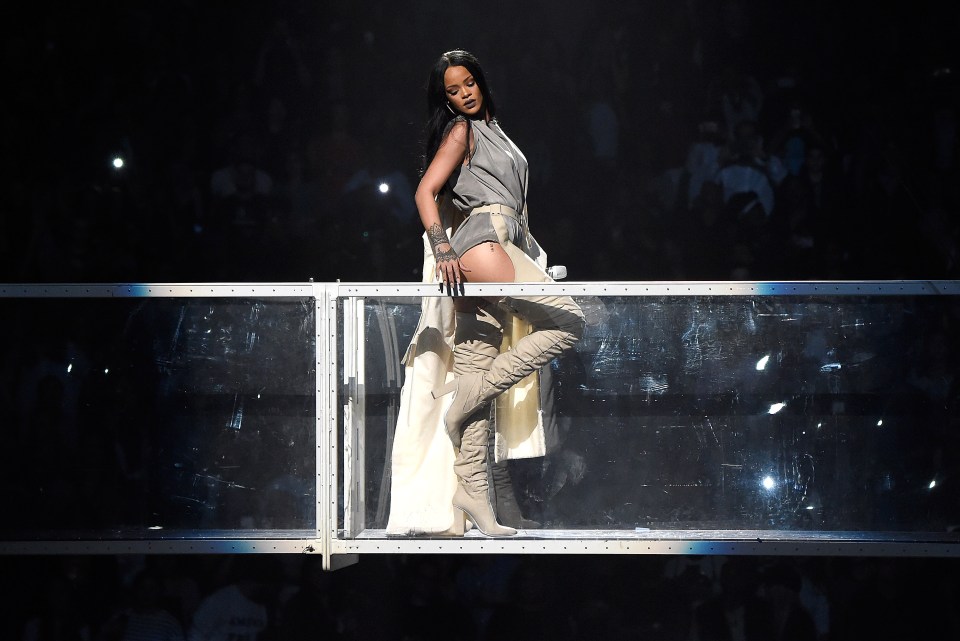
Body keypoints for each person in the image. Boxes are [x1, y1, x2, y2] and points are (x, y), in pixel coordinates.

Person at [386, 50, 584, 538]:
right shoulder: (461, 130)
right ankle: (471, 396)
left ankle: (473, 495)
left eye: (468, 84)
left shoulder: (493, 129)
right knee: (569, 321)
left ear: (480, 82)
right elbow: (424, 191)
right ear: (445, 98)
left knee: (477, 361)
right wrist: (442, 248)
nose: (464, 95)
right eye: (452, 91)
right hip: (484, 240)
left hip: (499, 241)